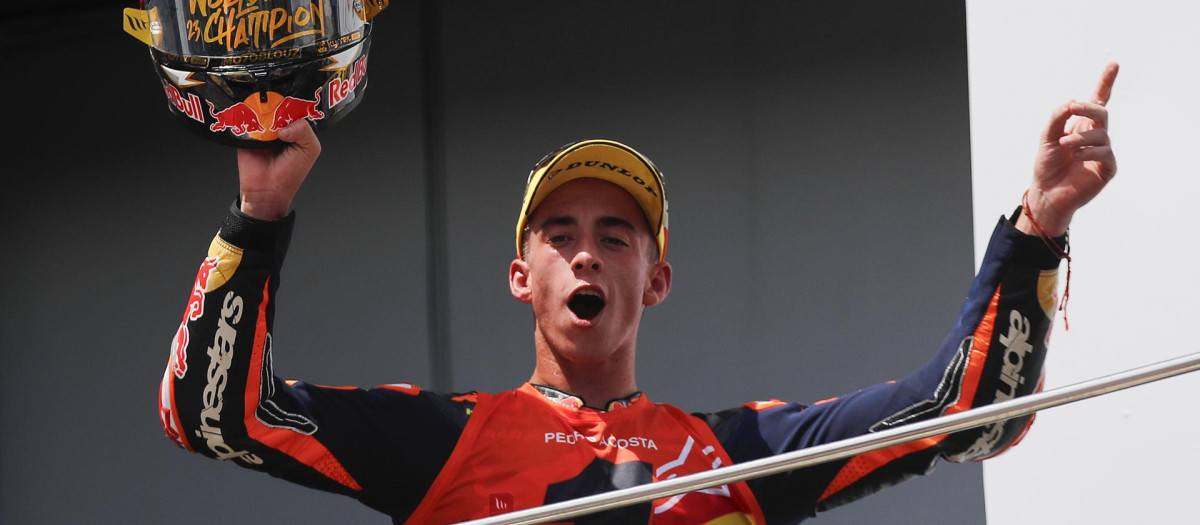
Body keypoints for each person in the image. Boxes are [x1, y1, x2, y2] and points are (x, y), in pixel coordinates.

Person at [158, 63, 1119, 524]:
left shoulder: (736, 454)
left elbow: (971, 414)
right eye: (560, 237)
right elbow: (218, 417)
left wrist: (1038, 226)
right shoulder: (445, 439)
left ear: (653, 281)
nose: (587, 257)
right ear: (519, 277)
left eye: (615, 237)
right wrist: (259, 212)